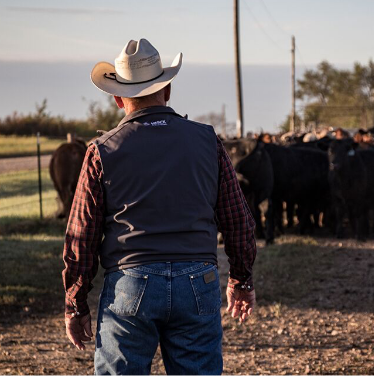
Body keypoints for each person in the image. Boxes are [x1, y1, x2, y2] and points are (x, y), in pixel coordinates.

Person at [62, 38, 257, 375]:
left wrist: (75, 305)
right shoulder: (208, 140)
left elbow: (81, 238)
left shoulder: (101, 151)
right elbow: (238, 220)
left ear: (118, 99)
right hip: (198, 280)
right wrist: (241, 281)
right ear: (167, 91)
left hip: (130, 282)